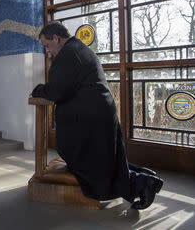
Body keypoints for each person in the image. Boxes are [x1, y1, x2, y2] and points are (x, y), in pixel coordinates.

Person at [31, 21, 163, 210]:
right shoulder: (80, 48)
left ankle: (142, 183)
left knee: (91, 169)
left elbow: (57, 91)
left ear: (57, 38)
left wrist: (38, 90)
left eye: (47, 45)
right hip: (99, 116)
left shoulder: (68, 54)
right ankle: (143, 179)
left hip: (90, 121)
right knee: (103, 161)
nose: (48, 51)